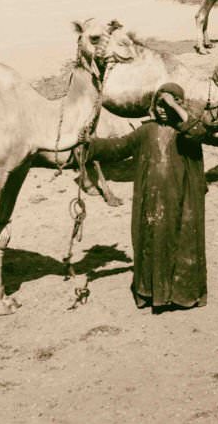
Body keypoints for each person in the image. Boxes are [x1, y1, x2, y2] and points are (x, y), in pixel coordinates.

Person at [85, 83, 207, 311]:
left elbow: (199, 131)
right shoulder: (146, 131)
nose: (162, 109)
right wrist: (88, 145)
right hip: (151, 200)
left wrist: (174, 105)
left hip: (184, 201)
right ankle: (152, 294)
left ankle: (181, 296)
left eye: (168, 105)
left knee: (181, 243)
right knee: (152, 242)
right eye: (158, 104)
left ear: (179, 105)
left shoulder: (187, 130)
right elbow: (117, 148)